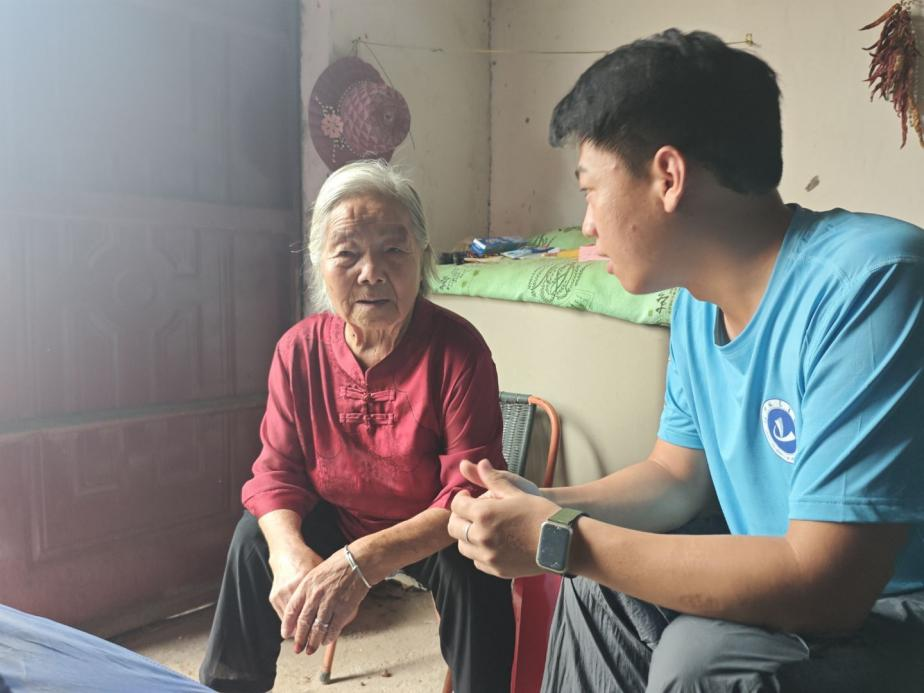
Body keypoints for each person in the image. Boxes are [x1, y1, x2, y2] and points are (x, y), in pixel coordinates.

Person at [448, 28, 924, 692]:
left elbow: (829, 584)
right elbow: (674, 478)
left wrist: (561, 539)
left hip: (891, 612)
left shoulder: (871, 284)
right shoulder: (698, 306)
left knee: (702, 658)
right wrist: (547, 505)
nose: (587, 224)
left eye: (590, 189)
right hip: (799, 592)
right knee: (596, 589)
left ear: (668, 177)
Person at [200, 159, 514, 693]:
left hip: (427, 526)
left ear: (422, 258)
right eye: (347, 253)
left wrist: (361, 561)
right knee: (254, 538)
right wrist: (287, 553)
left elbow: (468, 491)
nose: (371, 272)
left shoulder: (459, 351)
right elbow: (276, 472)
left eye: (394, 250)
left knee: (476, 562)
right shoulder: (298, 350)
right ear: (319, 263)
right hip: (338, 513)